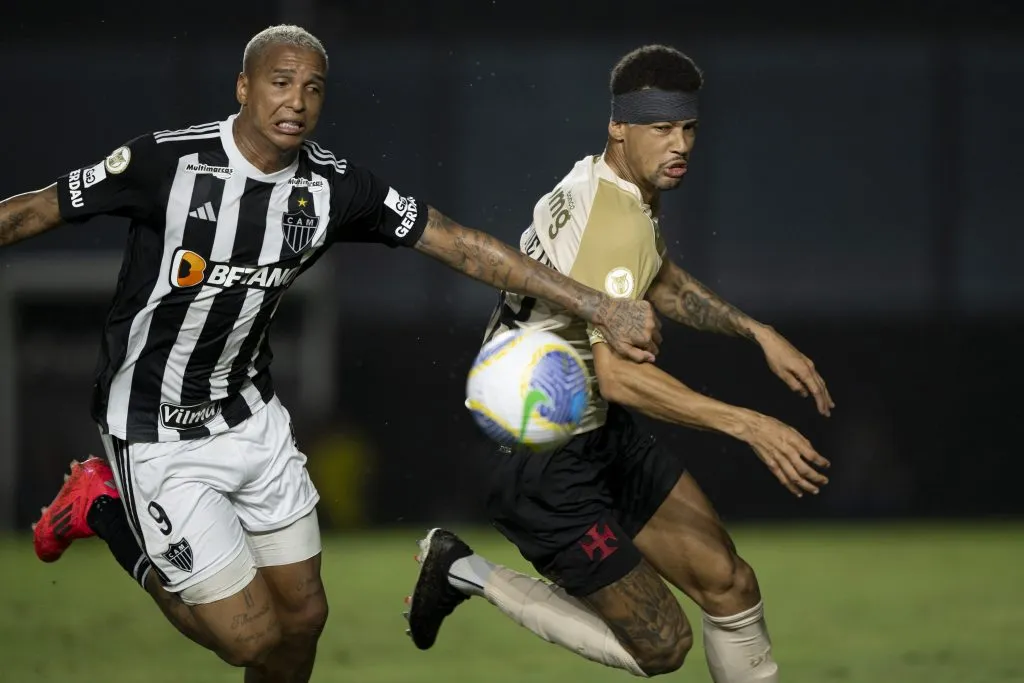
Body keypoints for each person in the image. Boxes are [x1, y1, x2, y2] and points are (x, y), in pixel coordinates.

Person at [4, 25, 661, 683]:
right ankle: (100, 505)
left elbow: (458, 243)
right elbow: (34, 210)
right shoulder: (166, 163)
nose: (297, 101)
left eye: (313, 88)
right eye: (280, 82)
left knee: (303, 621)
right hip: (155, 428)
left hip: (250, 415)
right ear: (244, 87)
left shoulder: (331, 187)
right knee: (249, 638)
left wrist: (598, 305)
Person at [405, 44, 835, 682]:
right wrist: (750, 424)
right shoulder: (615, 221)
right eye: (661, 128)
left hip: (594, 429)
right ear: (618, 127)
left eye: (688, 127)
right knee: (661, 646)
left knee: (729, 583)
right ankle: (462, 571)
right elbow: (620, 376)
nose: (680, 144)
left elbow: (659, 281)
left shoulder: (609, 187)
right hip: (541, 462)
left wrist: (756, 331)